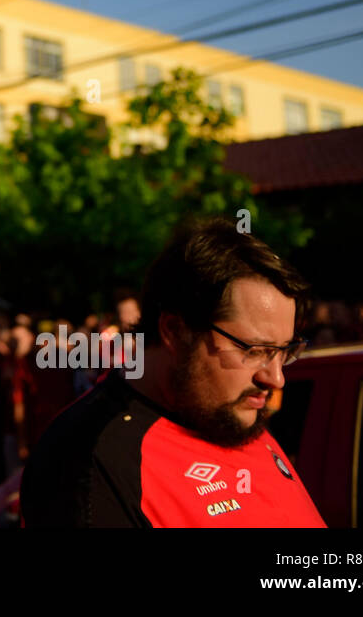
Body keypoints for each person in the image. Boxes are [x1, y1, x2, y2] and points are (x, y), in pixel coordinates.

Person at [21, 218, 325, 527]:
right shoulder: (89, 461)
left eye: (284, 351)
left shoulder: (226, 413)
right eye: (255, 350)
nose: (276, 378)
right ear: (176, 332)